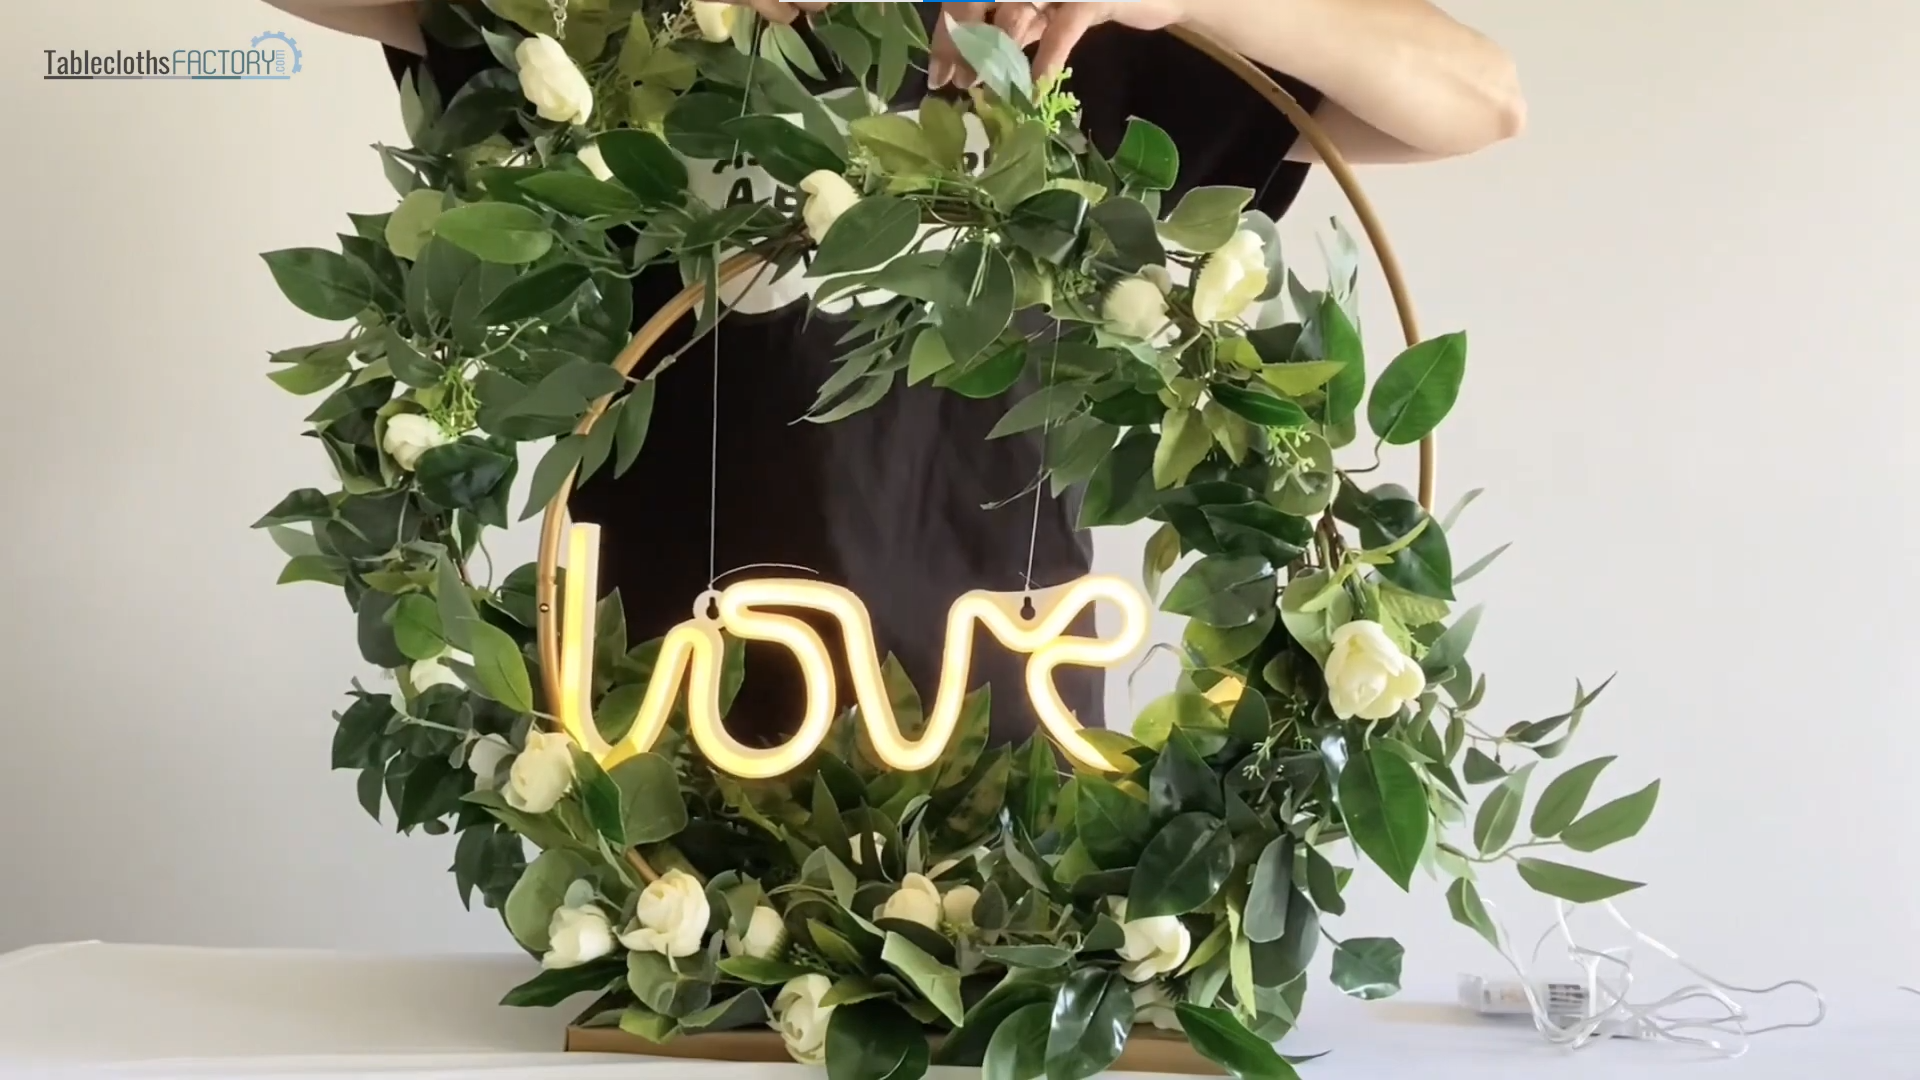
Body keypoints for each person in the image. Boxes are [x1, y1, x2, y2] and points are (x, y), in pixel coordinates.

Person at [268, 0, 1523, 748]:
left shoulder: (1092, 44)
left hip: (1013, 784)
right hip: (651, 755)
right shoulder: (639, 38)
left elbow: (1478, 96)